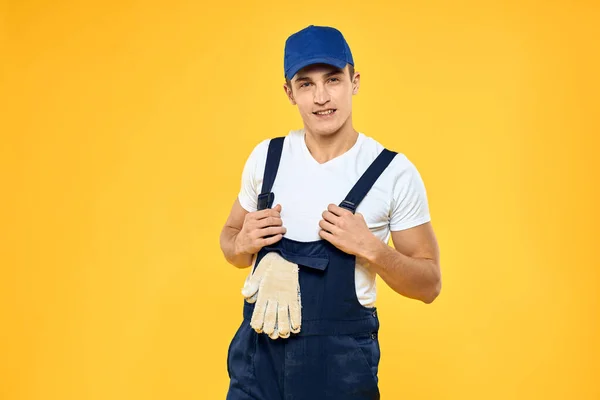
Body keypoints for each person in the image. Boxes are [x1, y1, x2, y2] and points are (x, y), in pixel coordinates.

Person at [219, 24, 441, 400]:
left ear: (354, 81)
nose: (322, 97)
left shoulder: (391, 173)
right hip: (257, 372)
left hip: (339, 378)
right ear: (289, 93)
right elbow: (229, 243)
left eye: (333, 80)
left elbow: (430, 285)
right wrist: (241, 243)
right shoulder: (267, 158)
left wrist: (372, 249)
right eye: (306, 84)